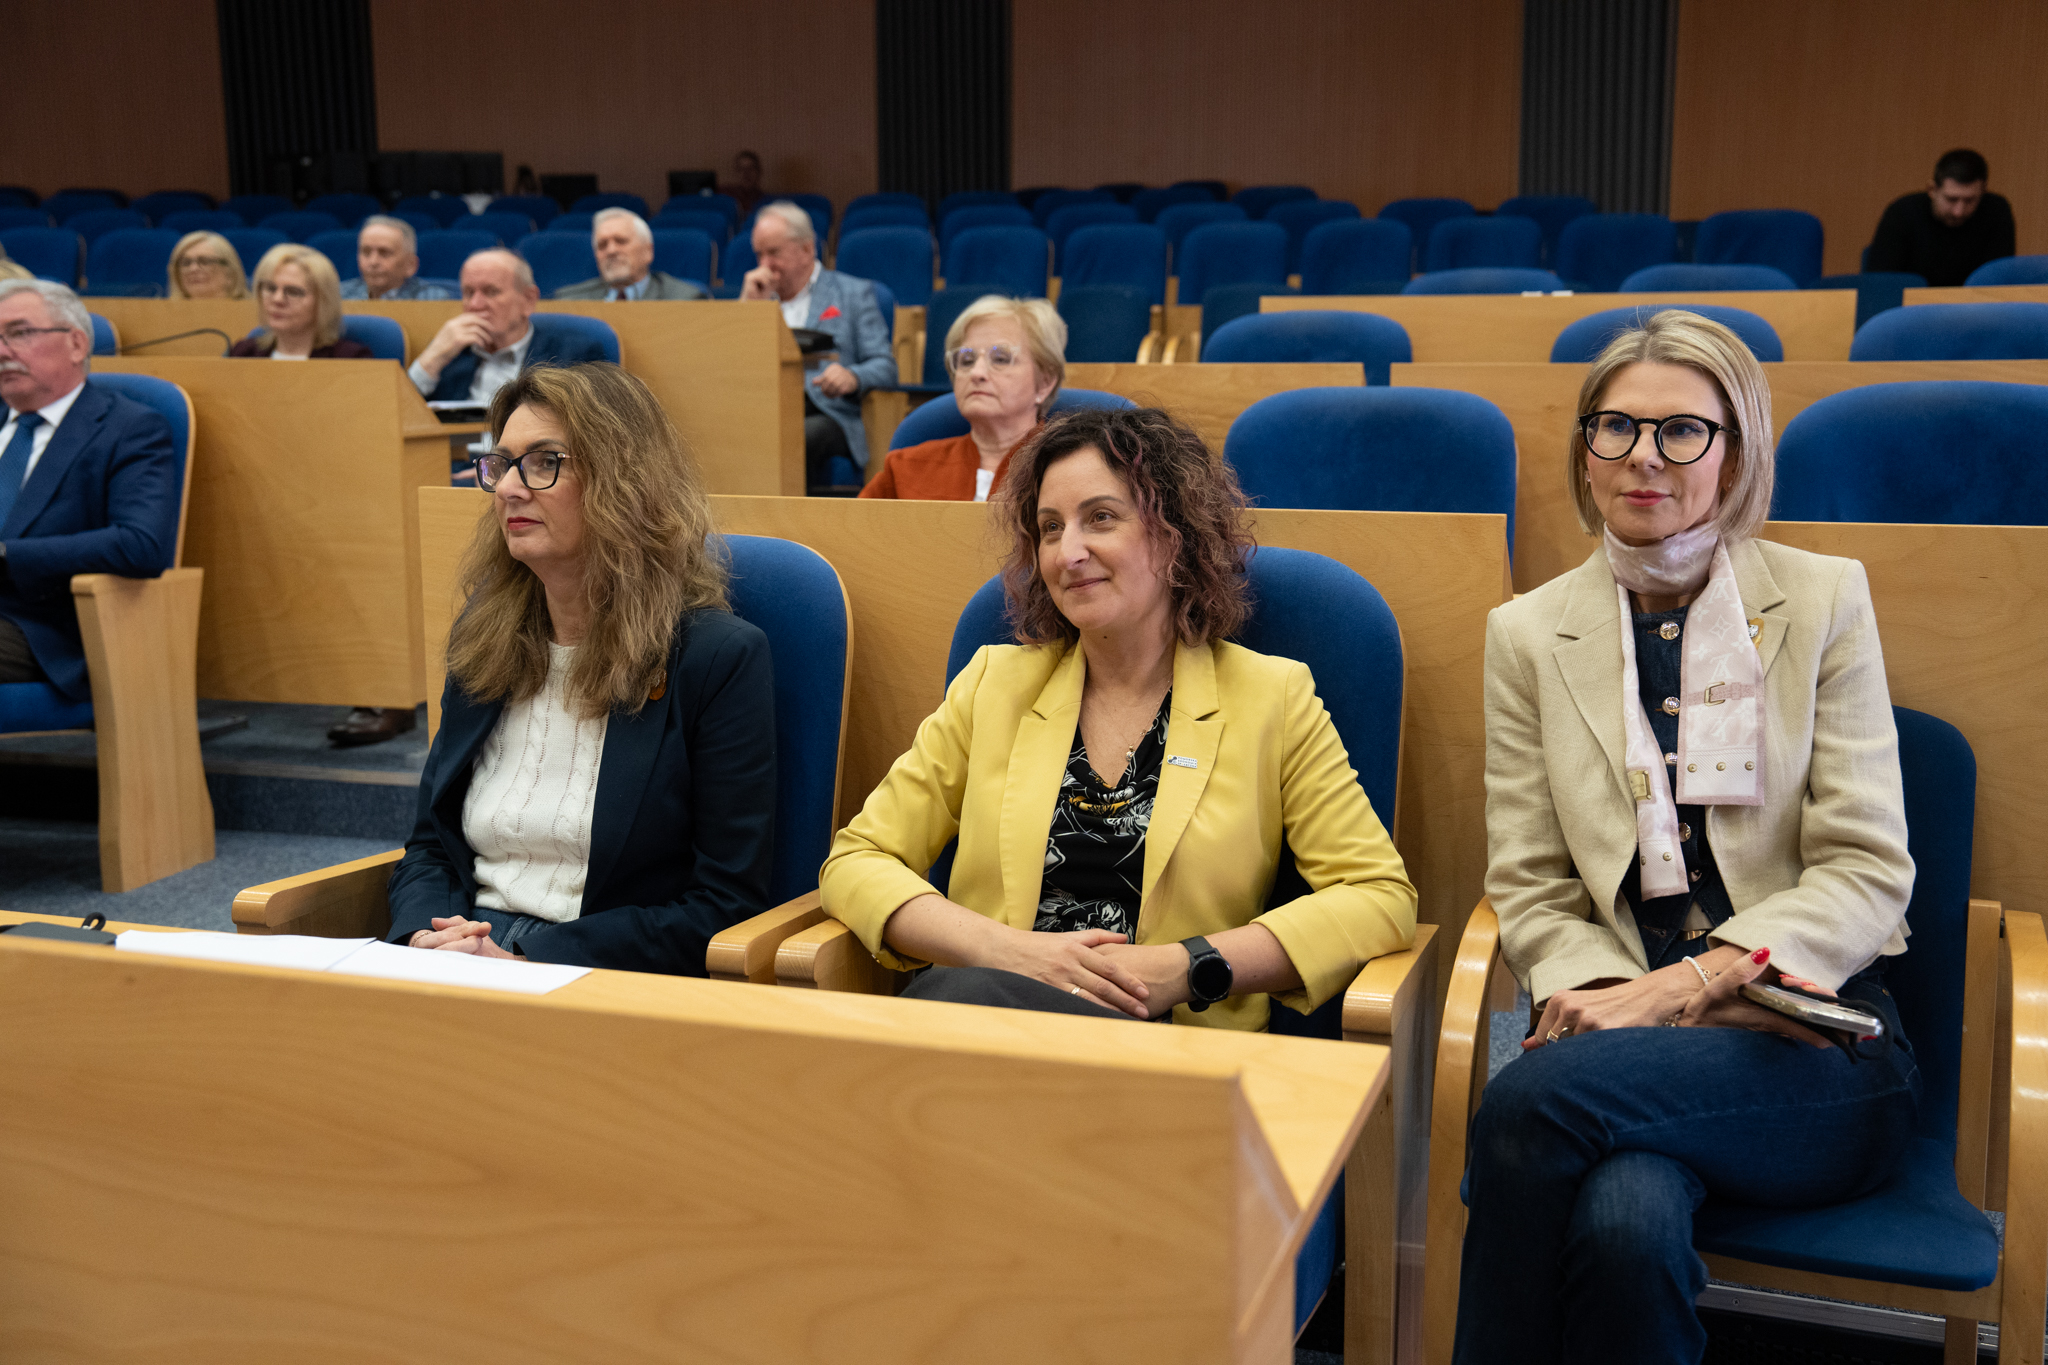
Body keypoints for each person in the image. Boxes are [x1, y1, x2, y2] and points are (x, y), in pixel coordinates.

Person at [1457, 310, 1921, 1364]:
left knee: (1525, 1097)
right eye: (1615, 427)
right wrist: (1621, 1004)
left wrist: (1681, 988)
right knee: (1625, 1222)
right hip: (1618, 1047)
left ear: (1735, 453)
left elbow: (1866, 868)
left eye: (1681, 431)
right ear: (1584, 447)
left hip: (1812, 1041)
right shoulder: (1526, 632)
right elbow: (1531, 885)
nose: (1643, 457)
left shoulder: (1822, 599)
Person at [819, 406, 1416, 1029]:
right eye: (1050, 528)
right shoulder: (994, 684)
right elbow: (858, 860)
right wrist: (1005, 952)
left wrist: (1188, 966)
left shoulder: (1272, 697)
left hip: (1168, 1050)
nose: (1068, 552)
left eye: (1100, 518)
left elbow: (1378, 897)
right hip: (988, 1019)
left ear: (1174, 532)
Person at [386, 362, 776, 974]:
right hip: (457, 954)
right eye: (502, 464)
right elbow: (432, 845)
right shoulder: (485, 636)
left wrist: (525, 957)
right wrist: (425, 937)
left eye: (544, 462)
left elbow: (724, 904)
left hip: (599, 970)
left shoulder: (715, 658)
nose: (510, 488)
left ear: (624, 482)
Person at [0, 279, 181, 700]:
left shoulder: (129, 429)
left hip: (42, 627)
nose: (3, 351)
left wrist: (8, 555)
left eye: (19, 333)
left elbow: (140, 544)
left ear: (77, 344)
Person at [739, 200, 895, 489]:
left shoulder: (853, 294)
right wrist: (748, 310)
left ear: (807, 249)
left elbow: (885, 366)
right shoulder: (756, 297)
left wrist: (852, 376)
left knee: (791, 437)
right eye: (759, 254)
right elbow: (731, 365)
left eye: (773, 253)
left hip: (828, 411)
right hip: (764, 409)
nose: (764, 265)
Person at [861, 295, 1062, 502]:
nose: (976, 372)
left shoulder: (1065, 469)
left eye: (1000, 359)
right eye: (966, 360)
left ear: (1045, 382)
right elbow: (849, 521)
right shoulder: (905, 468)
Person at [408, 249, 613, 406]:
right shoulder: (449, 353)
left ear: (528, 300)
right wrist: (432, 358)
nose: (475, 305)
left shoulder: (574, 355)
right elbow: (398, 416)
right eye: (469, 293)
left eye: (491, 292)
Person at [1866, 147, 2015, 287]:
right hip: (1911, 304)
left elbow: (1999, 281)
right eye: (1951, 199)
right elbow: (1881, 282)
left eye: (1970, 200)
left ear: (1983, 192)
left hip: (1976, 305)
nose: (1958, 211)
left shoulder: (1996, 211)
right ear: (1932, 189)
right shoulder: (1902, 213)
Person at [228, 244, 371, 359]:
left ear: (323, 301)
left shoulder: (350, 358)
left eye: (293, 292)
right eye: (270, 288)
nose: (278, 299)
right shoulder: (243, 353)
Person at [553, 208, 707, 301]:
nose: (611, 251)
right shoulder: (569, 301)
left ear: (648, 251)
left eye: (621, 241)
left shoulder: (684, 299)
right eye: (602, 245)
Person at [339, 215, 452, 301]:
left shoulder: (433, 300)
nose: (373, 262)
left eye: (384, 253)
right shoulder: (339, 296)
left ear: (410, 265)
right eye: (366, 252)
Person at [166, 231, 248, 300]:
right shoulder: (164, 313)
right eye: (186, 263)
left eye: (204, 262)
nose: (193, 269)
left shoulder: (251, 313)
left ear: (230, 273)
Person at [724, 150, 765, 218]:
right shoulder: (726, 195)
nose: (746, 173)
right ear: (736, 173)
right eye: (741, 169)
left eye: (750, 168)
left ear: (758, 172)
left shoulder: (764, 201)